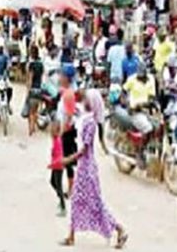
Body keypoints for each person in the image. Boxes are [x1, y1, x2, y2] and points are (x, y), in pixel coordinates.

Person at [60, 89, 128, 248]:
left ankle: (120, 229)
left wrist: (68, 159)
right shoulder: (86, 119)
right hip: (85, 167)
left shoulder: (89, 123)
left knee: (94, 203)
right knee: (78, 200)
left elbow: (84, 149)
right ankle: (71, 235)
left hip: (87, 169)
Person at [121, 64, 157, 135]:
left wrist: (147, 105)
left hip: (147, 108)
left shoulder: (151, 79)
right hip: (135, 110)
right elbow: (123, 91)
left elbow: (152, 96)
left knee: (157, 126)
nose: (140, 78)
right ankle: (144, 145)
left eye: (142, 77)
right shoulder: (132, 79)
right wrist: (126, 103)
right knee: (148, 128)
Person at [59, 64, 78, 194]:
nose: (59, 77)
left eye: (62, 75)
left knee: (68, 160)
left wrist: (62, 131)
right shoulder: (67, 92)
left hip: (69, 131)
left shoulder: (69, 94)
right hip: (70, 130)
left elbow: (69, 116)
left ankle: (72, 188)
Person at [24, 45, 44, 136]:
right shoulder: (41, 64)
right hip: (39, 89)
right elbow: (42, 76)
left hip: (33, 90)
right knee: (35, 111)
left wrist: (28, 91)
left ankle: (31, 129)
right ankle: (34, 127)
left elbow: (30, 79)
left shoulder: (31, 65)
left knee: (30, 112)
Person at [48, 121, 66, 217]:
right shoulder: (56, 140)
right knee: (52, 182)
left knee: (58, 185)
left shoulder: (57, 141)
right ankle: (61, 196)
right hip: (56, 166)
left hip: (58, 167)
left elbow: (59, 157)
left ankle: (63, 206)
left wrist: (52, 164)